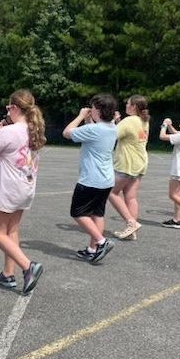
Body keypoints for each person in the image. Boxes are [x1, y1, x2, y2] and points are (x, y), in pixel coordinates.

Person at [0, 89, 46, 295]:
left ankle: (28, 266)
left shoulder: (9, 131)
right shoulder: (35, 131)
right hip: (25, 188)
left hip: (8, 189)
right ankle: (8, 273)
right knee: (11, 231)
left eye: (8, 108)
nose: (7, 112)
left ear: (14, 108)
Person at [62, 94, 118, 263]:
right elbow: (90, 132)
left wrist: (80, 116)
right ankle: (92, 249)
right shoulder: (112, 127)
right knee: (97, 214)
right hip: (106, 179)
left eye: (92, 108)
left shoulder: (95, 130)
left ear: (99, 110)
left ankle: (101, 242)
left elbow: (67, 133)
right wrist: (89, 119)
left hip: (91, 180)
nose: (90, 110)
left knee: (77, 212)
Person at [109, 94, 149, 240]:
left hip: (127, 163)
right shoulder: (143, 121)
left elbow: (111, 135)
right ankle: (131, 231)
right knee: (130, 196)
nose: (125, 105)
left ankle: (131, 223)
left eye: (127, 103)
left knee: (111, 192)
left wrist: (112, 121)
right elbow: (128, 132)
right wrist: (119, 122)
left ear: (133, 106)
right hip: (140, 163)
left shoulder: (128, 121)